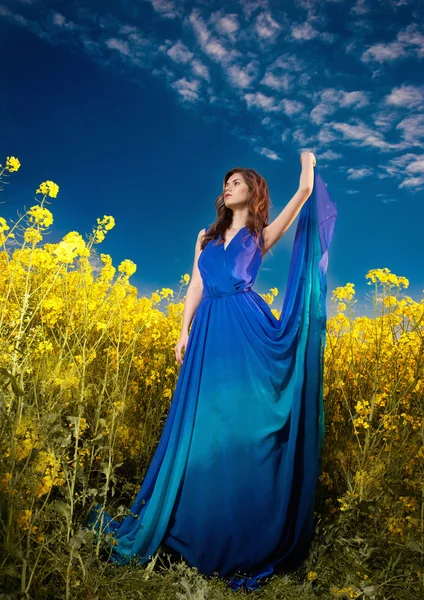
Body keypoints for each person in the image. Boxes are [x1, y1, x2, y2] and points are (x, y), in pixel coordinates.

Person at [87, 151, 337, 592]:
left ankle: (244, 531)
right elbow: (196, 285)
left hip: (245, 329)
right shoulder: (204, 238)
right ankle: (192, 525)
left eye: (238, 182)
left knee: (242, 422)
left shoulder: (260, 235)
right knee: (203, 427)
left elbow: (303, 196)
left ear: (252, 193)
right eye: (227, 182)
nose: (229, 186)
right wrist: (182, 331)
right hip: (207, 333)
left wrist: (307, 164)